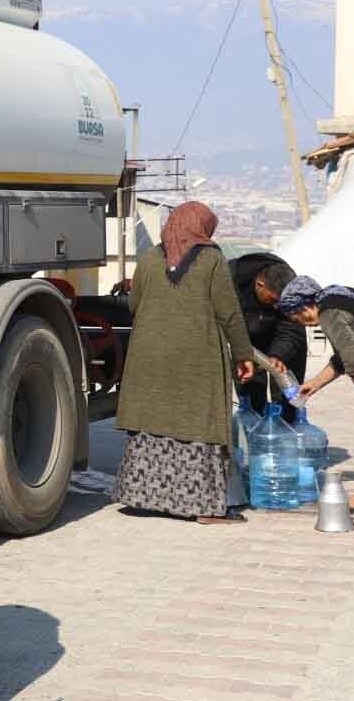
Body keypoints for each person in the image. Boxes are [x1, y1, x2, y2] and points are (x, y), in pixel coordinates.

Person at [112, 201, 255, 525]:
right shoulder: (212, 259)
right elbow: (228, 311)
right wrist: (243, 354)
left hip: (148, 356)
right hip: (196, 357)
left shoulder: (149, 258)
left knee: (151, 420)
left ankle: (142, 497)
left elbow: (134, 303)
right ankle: (204, 507)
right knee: (198, 423)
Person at [277, 276, 354, 512]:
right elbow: (343, 356)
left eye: (296, 318)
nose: (302, 324)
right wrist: (314, 384)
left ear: (304, 306)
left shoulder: (328, 313)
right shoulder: (339, 297)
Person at [228, 252, 307, 422]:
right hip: (246, 342)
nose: (276, 306)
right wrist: (242, 351)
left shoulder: (289, 285)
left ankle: (284, 431)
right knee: (251, 399)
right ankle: (254, 434)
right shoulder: (228, 280)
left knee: (287, 401)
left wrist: (279, 355)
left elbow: (292, 327)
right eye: (272, 300)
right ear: (259, 284)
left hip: (283, 342)